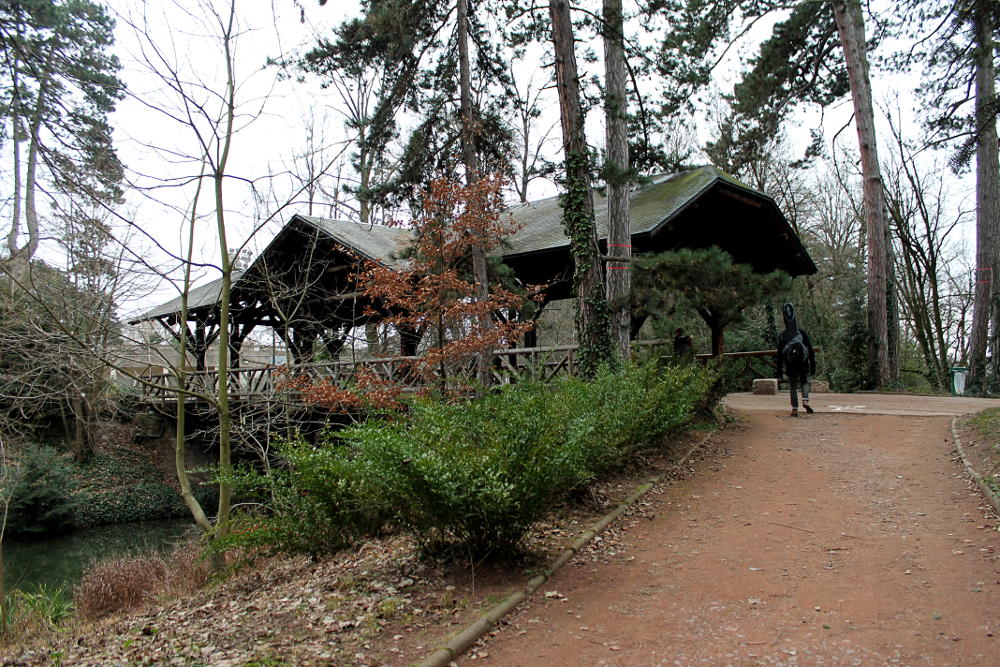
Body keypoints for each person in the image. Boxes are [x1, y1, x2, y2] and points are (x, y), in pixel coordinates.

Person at [776, 303, 816, 417]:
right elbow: (810, 349)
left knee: (793, 385)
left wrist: (779, 372)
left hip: (790, 364)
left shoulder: (783, 335)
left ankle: (794, 409)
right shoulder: (802, 333)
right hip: (802, 362)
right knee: (804, 381)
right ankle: (805, 400)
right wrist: (813, 365)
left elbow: (779, 355)